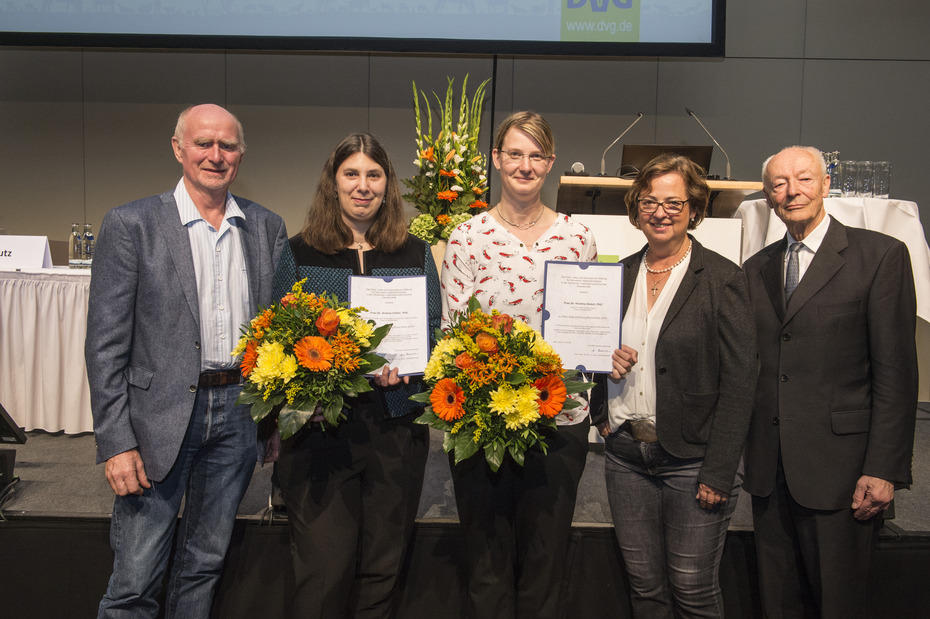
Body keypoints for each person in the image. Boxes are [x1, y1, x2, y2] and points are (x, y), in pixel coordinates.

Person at [85, 103, 288, 618]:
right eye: (203, 143)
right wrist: (116, 441)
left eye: (227, 146)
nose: (215, 155)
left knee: (202, 566)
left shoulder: (265, 227)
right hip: (156, 421)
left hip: (240, 414)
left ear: (241, 154)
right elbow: (105, 345)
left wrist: (274, 418)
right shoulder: (132, 224)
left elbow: (279, 334)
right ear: (178, 148)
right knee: (134, 578)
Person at [270, 133, 441, 618]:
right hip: (322, 433)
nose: (362, 186)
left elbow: (430, 332)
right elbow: (277, 337)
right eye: (352, 174)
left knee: (382, 572)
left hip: (395, 429)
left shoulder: (414, 253)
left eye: (374, 175)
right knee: (322, 571)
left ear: (388, 186)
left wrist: (410, 372)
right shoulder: (299, 252)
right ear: (333, 182)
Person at [742, 146, 918, 618]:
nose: (791, 191)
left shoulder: (879, 257)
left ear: (825, 186)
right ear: (767, 195)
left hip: (844, 473)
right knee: (777, 604)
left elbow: (897, 373)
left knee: (839, 604)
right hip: (770, 470)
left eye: (803, 179)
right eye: (779, 183)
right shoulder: (756, 268)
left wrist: (884, 468)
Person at [440, 111, 597, 619]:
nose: (524, 166)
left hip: (560, 415)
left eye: (535, 156)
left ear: (550, 163)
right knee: (486, 559)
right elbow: (454, 332)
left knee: (545, 558)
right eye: (514, 154)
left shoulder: (579, 237)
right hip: (483, 420)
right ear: (496, 159)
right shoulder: (468, 237)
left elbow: (590, 325)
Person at [589, 153, 756, 618]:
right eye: (649, 202)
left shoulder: (723, 280)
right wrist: (601, 411)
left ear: (695, 211)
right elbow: (590, 351)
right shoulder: (617, 275)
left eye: (673, 203)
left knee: (693, 589)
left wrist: (720, 470)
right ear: (636, 209)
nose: (660, 212)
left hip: (693, 460)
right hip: (625, 457)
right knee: (644, 587)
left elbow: (742, 381)